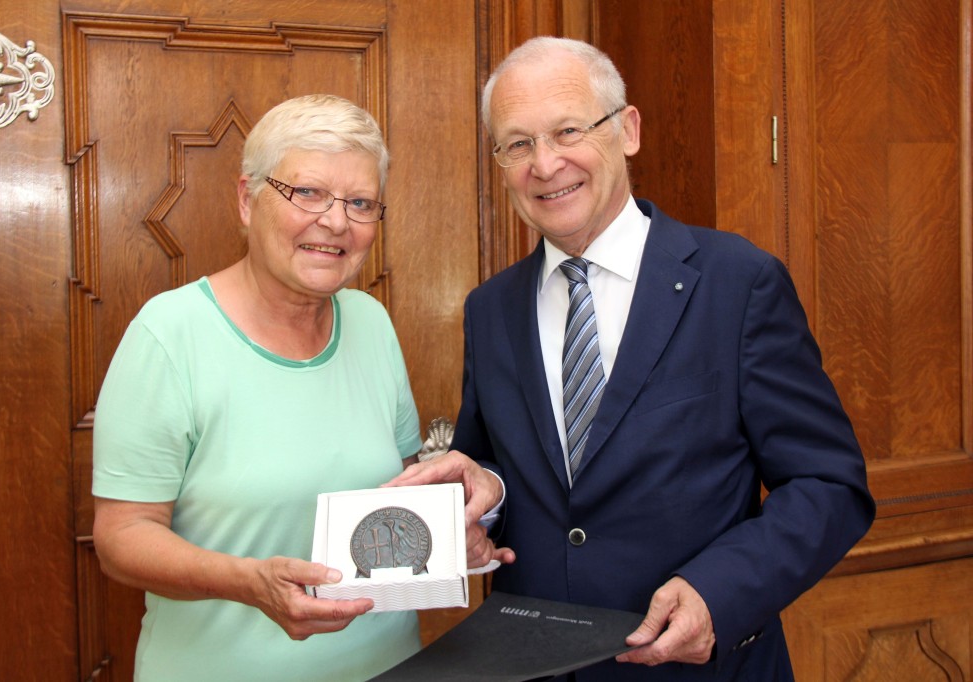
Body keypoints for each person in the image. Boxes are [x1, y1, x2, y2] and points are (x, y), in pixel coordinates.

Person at [387, 37, 875, 680]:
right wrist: (486, 495)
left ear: (628, 130)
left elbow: (827, 484)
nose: (545, 163)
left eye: (567, 130)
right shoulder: (491, 308)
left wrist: (720, 592)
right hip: (534, 666)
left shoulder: (738, 282)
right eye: (517, 144)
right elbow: (496, 466)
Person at [92, 94, 423, 681]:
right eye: (309, 193)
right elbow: (121, 537)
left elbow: (397, 494)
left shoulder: (373, 323)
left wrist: (462, 524)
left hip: (389, 667)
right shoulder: (169, 334)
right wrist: (247, 583)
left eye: (361, 202)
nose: (336, 221)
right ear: (247, 199)